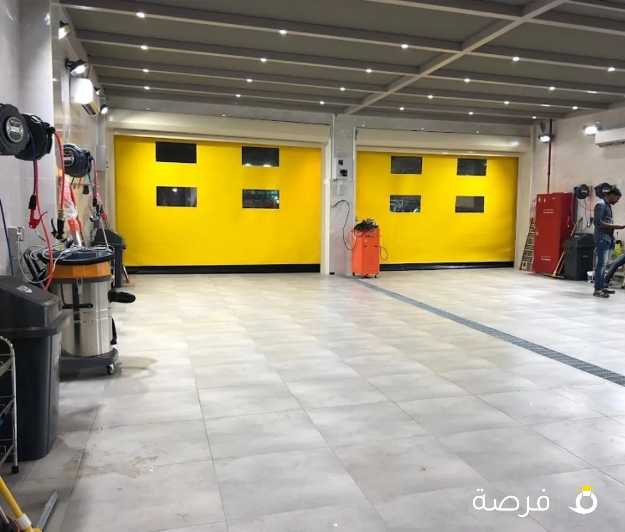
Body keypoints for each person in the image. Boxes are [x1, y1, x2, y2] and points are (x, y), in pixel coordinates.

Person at [594, 186, 625, 298]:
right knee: (601, 265)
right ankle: (598, 290)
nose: (617, 201)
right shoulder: (601, 204)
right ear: (612, 195)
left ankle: (602, 286)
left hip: (608, 239)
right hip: (602, 238)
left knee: (604, 265)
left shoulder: (607, 205)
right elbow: (598, 223)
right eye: (617, 198)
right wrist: (616, 226)